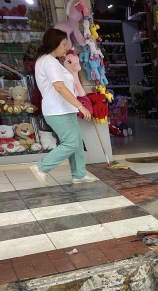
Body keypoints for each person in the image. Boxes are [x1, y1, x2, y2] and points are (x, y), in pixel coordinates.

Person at [30, 28, 96, 186]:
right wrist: (81, 106)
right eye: (64, 44)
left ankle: (79, 174)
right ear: (54, 44)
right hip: (57, 110)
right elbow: (59, 87)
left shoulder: (51, 61)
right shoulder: (49, 62)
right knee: (71, 143)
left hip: (65, 109)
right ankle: (41, 167)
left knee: (76, 143)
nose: (66, 48)